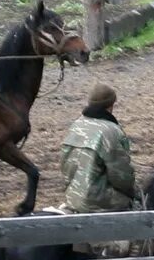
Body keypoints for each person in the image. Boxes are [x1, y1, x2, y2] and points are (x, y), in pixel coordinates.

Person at [58, 85, 137, 215]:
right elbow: (121, 177)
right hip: (98, 201)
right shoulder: (111, 131)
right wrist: (133, 193)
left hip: (72, 198)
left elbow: (65, 165)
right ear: (111, 105)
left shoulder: (76, 125)